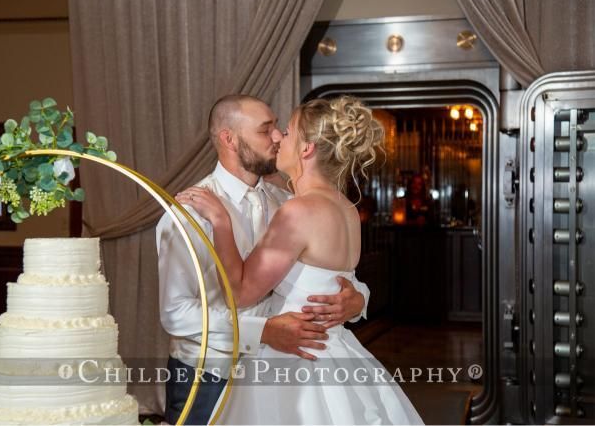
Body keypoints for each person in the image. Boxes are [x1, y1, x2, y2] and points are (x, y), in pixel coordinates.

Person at [178, 96, 424, 425]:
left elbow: (240, 293)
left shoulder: (298, 210)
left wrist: (221, 222)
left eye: (289, 132)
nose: (280, 137)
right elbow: (336, 282)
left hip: (298, 361)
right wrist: (359, 297)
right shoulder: (346, 209)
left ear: (307, 148)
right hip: (336, 352)